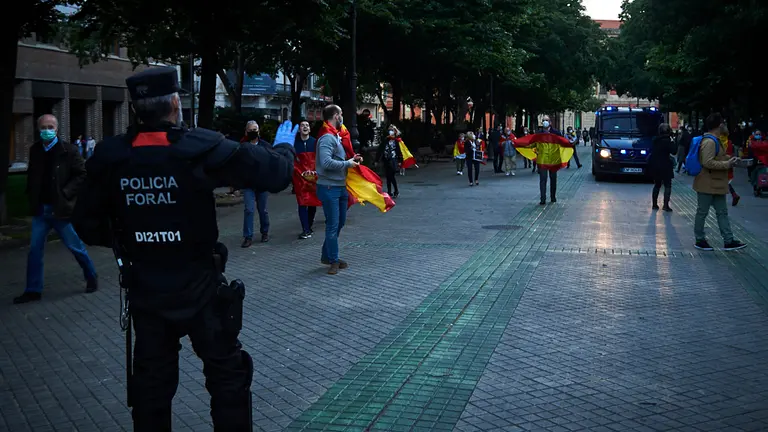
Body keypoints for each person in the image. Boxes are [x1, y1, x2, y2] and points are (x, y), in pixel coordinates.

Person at [71, 67, 296, 430]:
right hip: (200, 288)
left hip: (146, 289)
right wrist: (284, 144)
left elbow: (86, 224)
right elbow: (276, 174)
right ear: (176, 104)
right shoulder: (199, 148)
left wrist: (133, 237)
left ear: (135, 109)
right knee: (228, 378)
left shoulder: (111, 158)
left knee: (151, 389)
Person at [13, 114, 98, 304]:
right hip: (41, 210)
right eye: (43, 127)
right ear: (38, 129)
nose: (47, 130)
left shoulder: (68, 150)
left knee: (75, 247)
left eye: (50, 127)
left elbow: (81, 174)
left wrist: (66, 193)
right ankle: (33, 289)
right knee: (34, 250)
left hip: (60, 209)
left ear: (57, 129)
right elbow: (33, 175)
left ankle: (91, 276)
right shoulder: (35, 150)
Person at [316, 104, 362, 275]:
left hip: (339, 187)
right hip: (329, 187)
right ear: (335, 116)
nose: (342, 116)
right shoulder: (327, 138)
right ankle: (333, 260)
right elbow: (326, 162)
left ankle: (327, 256)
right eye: (341, 113)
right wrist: (347, 164)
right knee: (333, 225)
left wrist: (352, 159)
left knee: (338, 222)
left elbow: (337, 159)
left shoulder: (334, 136)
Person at [692, 113, 746, 251]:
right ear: (719, 125)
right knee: (702, 212)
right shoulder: (709, 141)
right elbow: (707, 162)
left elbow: (718, 157)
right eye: (723, 122)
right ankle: (700, 239)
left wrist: (730, 159)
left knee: (722, 212)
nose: (724, 125)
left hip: (717, 183)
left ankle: (728, 240)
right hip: (706, 182)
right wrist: (727, 164)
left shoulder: (716, 140)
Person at [240, 120, 272, 246]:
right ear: (246, 132)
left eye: (255, 130)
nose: (253, 132)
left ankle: (265, 232)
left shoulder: (265, 146)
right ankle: (248, 236)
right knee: (249, 209)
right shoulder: (242, 146)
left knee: (263, 210)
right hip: (248, 184)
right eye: (251, 130)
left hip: (262, 183)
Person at [294, 120, 318, 239]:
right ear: (299, 129)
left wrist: (314, 172)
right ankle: (306, 229)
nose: (305, 127)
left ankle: (309, 225)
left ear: (310, 129)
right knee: (302, 203)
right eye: (302, 125)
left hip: (313, 177)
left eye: (307, 125)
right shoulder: (294, 144)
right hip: (299, 178)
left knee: (312, 202)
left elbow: (319, 159)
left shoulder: (315, 142)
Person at [648, 123, 676, 211]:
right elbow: (674, 151)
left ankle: (654, 204)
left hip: (656, 165)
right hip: (666, 165)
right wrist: (673, 141)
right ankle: (666, 205)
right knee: (668, 185)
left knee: (657, 185)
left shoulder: (655, 140)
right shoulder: (668, 141)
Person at [377, 126, 403, 198]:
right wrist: (377, 160)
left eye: (392, 131)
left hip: (393, 160)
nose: (390, 132)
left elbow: (399, 151)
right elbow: (380, 150)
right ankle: (390, 191)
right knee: (388, 176)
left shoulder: (396, 141)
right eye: (389, 130)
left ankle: (395, 190)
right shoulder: (385, 141)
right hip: (386, 160)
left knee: (391, 176)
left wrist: (400, 161)